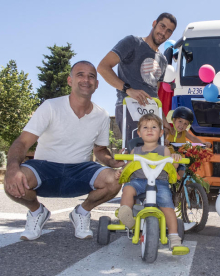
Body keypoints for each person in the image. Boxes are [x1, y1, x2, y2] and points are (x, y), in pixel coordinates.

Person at [4, 61, 124, 241]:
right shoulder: (50, 106)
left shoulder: (102, 115)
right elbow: (22, 142)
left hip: (80, 170)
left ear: (97, 84)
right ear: (70, 80)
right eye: (80, 75)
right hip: (44, 169)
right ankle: (37, 212)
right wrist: (12, 167)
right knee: (12, 181)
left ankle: (81, 212)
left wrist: (112, 162)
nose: (86, 80)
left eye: (91, 76)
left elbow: (99, 150)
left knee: (114, 180)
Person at [97, 12, 177, 146]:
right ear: (154, 24)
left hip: (152, 113)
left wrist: (163, 120)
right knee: (134, 156)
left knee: (154, 159)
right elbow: (102, 67)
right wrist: (128, 89)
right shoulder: (133, 42)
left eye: (169, 31)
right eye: (162, 26)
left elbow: (154, 95)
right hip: (130, 108)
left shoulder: (163, 60)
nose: (163, 33)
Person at [117, 113, 184, 249]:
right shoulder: (135, 150)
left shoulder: (164, 150)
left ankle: (174, 236)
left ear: (160, 133)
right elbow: (127, 166)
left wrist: (175, 158)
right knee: (128, 188)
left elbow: (172, 167)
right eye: (145, 127)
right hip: (139, 181)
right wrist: (120, 170)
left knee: (167, 204)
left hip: (160, 183)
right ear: (139, 133)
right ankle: (126, 214)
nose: (149, 130)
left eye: (154, 127)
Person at [164, 106, 212, 177]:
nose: (182, 125)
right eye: (180, 121)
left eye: (185, 124)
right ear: (174, 120)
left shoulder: (184, 132)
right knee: (168, 175)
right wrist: (164, 140)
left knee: (182, 178)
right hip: (169, 158)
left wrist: (203, 144)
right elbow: (160, 137)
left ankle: (182, 186)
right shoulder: (168, 130)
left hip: (181, 159)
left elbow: (193, 138)